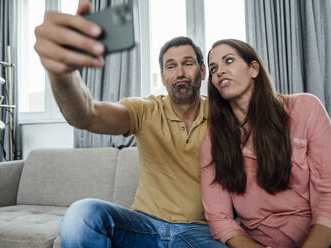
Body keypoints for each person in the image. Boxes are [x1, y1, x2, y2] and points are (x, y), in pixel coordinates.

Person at [34, 1, 227, 247]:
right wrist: (61, 73)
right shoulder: (145, 110)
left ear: (202, 71)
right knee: (81, 214)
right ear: (164, 78)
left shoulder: (224, 115)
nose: (179, 72)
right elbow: (86, 114)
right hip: (143, 227)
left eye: (187, 64)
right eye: (171, 66)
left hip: (198, 233)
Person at [200, 38, 331, 248]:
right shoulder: (213, 143)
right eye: (213, 69)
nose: (219, 71)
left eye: (228, 61)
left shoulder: (306, 109)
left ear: (254, 69)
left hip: (329, 240)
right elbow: (220, 219)